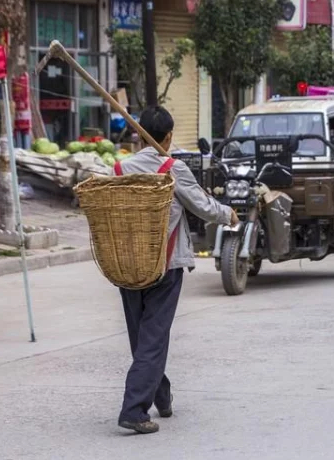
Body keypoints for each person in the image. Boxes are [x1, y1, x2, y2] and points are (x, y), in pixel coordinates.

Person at [112, 106, 238, 434]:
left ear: (139, 136)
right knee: (153, 337)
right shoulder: (173, 168)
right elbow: (202, 205)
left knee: (144, 337)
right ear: (167, 137)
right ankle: (134, 409)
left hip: (127, 263)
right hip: (165, 267)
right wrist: (229, 215)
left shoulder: (119, 169)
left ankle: (161, 395)